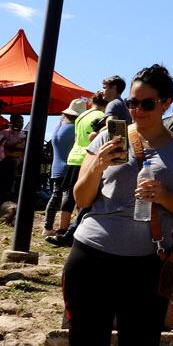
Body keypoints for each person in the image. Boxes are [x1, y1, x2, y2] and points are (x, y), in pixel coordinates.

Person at [62, 64, 173, 346]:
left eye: (147, 104)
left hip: (146, 265)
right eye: (132, 102)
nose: (137, 110)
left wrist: (164, 196)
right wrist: (97, 165)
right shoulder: (106, 139)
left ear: (167, 104)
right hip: (92, 257)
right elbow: (81, 199)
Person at [47, 92, 106, 247]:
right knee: (86, 196)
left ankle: (62, 229)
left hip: (73, 156)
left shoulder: (82, 116)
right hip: (87, 157)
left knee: (69, 195)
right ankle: (78, 230)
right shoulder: (101, 115)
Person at [43, 99, 85, 237]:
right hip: (69, 167)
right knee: (70, 197)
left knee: (55, 196)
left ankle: (47, 227)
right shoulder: (75, 128)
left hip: (56, 166)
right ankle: (67, 228)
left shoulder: (59, 126)